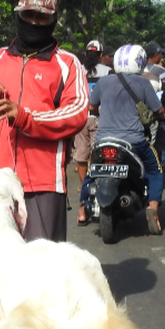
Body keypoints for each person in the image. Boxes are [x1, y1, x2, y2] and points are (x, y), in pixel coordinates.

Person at [0, 0, 89, 267]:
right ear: (19, 15)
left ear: (54, 20)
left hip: (42, 182)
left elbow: (76, 113)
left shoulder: (68, 64)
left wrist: (24, 117)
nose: (34, 22)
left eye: (42, 17)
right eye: (29, 15)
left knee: (43, 269)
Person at [90, 45, 165, 234]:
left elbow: (92, 108)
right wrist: (163, 116)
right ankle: (153, 208)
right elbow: (159, 112)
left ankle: (83, 209)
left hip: (102, 140)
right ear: (140, 62)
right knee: (154, 169)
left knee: (92, 172)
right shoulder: (143, 84)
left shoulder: (103, 82)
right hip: (134, 141)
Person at [73, 41, 105, 226]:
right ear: (101, 55)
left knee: (81, 155)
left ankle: (85, 184)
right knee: (97, 153)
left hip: (80, 118)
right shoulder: (107, 72)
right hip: (100, 117)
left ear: (85, 54)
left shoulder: (78, 70)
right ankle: (97, 185)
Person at [143, 42, 165, 167]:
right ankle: (156, 168)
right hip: (156, 112)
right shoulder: (160, 70)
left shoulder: (138, 69)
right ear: (156, 55)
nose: (162, 56)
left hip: (137, 113)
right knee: (157, 145)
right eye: (161, 54)